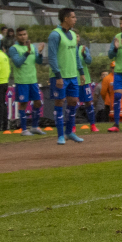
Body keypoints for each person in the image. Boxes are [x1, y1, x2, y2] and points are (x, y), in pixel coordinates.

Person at [47, 8, 86, 145]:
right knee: (59, 102)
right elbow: (51, 57)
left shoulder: (72, 34)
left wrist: (81, 72)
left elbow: (75, 55)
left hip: (72, 75)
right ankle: (60, 135)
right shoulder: (55, 35)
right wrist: (58, 76)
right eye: (73, 17)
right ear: (65, 18)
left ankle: (70, 132)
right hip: (60, 76)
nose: (75, 20)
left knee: (73, 102)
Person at [9, 27, 46, 136]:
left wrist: (39, 52)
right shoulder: (14, 48)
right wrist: (27, 52)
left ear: (27, 35)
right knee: (23, 104)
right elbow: (17, 63)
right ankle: (24, 129)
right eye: (20, 35)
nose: (23, 36)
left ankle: (34, 127)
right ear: (16, 36)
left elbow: (38, 62)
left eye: (24, 34)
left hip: (33, 80)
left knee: (38, 102)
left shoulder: (33, 47)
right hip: (22, 81)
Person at [78, 38, 96, 132]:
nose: (75, 38)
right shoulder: (68, 49)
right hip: (73, 80)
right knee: (71, 103)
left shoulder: (83, 48)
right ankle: (72, 127)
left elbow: (89, 61)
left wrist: (84, 54)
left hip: (84, 80)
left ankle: (93, 125)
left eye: (77, 36)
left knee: (88, 102)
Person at [0, 46, 12, 131]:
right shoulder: (4, 56)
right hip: (4, 81)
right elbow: (8, 69)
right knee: (3, 104)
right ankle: (5, 124)